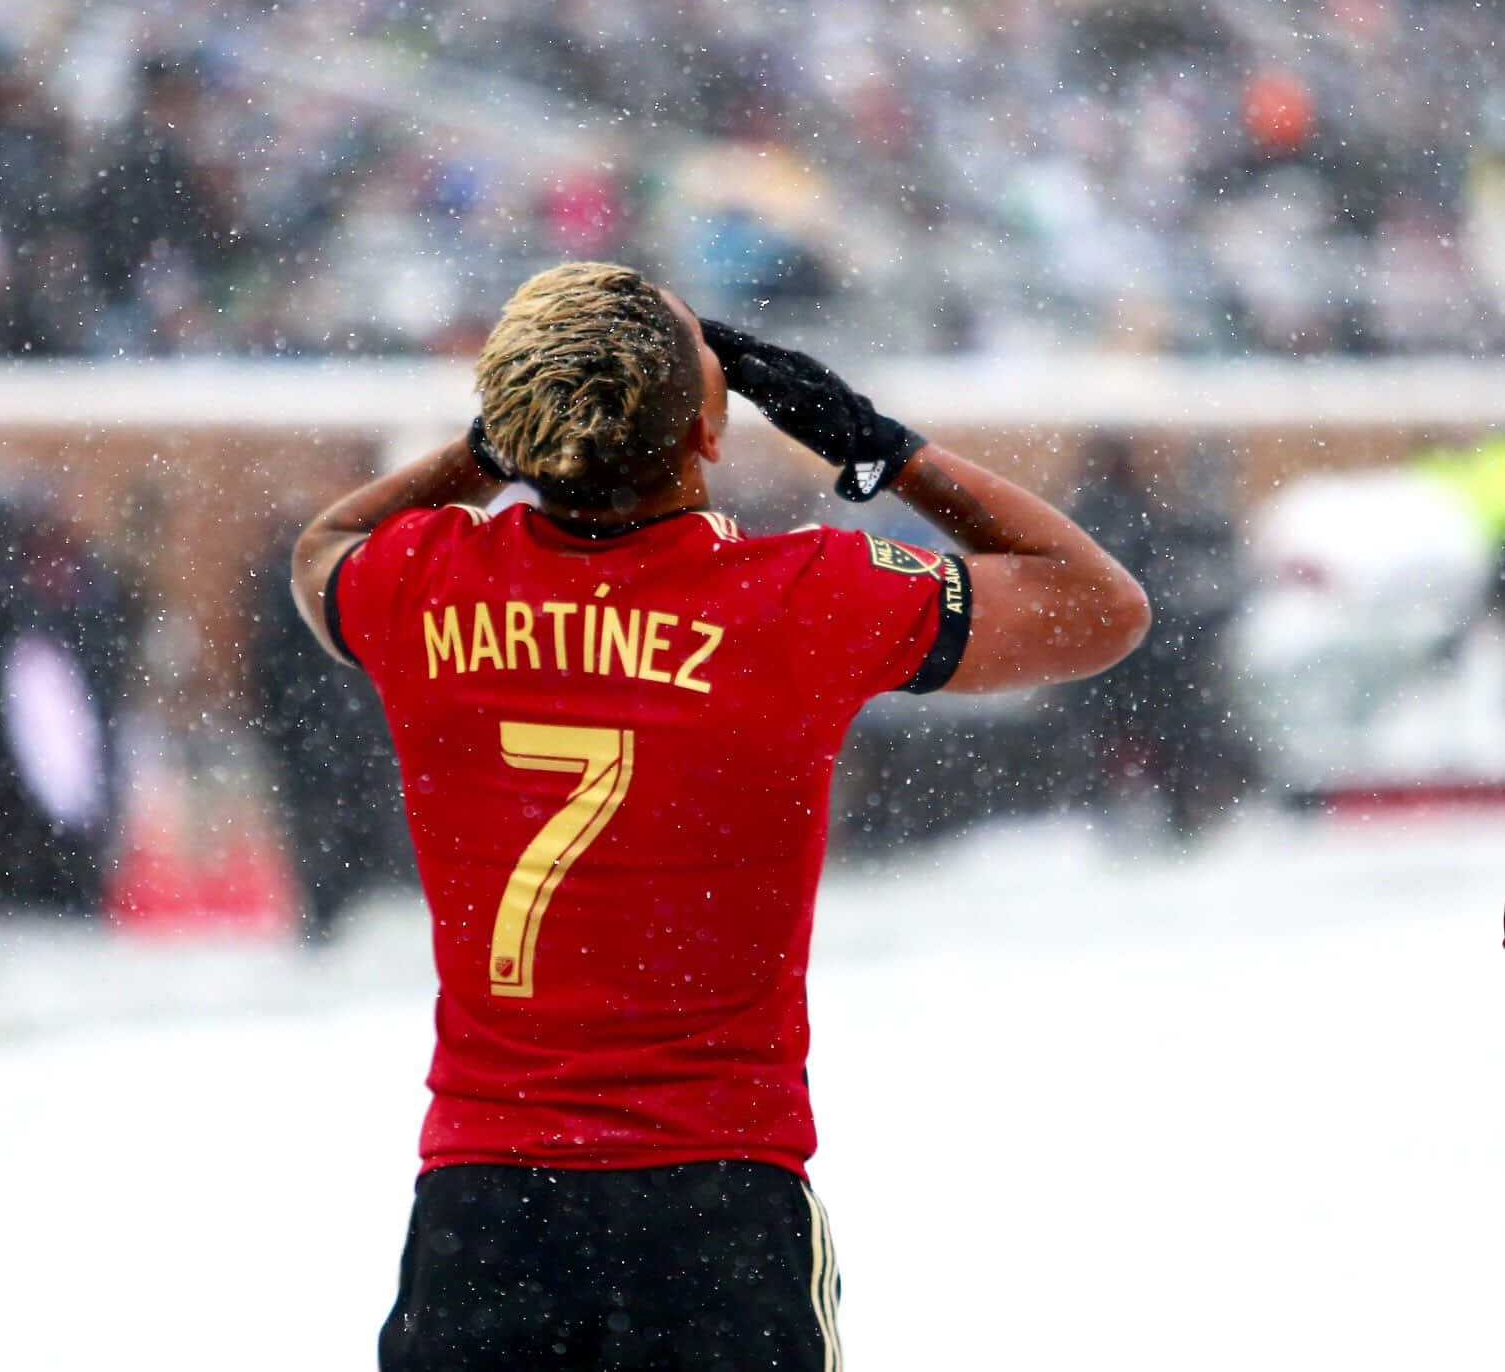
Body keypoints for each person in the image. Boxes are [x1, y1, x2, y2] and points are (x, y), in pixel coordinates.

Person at [290, 262, 1149, 1370]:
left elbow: (321, 549)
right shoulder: (802, 596)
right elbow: (1100, 608)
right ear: (708, 433)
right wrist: (883, 449)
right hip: (715, 1205)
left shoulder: (426, 581)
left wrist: (482, 451)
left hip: (486, 1207)